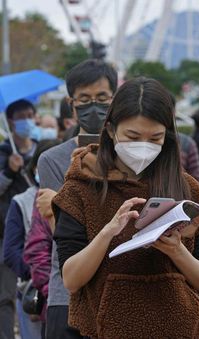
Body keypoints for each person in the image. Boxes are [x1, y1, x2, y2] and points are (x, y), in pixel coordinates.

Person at [53, 77, 199, 338]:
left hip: (179, 329)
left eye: (156, 138)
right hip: (105, 331)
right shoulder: (79, 190)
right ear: (110, 130)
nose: (144, 146)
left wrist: (176, 251)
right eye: (132, 136)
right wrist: (107, 233)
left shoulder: (188, 190)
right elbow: (71, 280)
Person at [36, 59, 118, 339]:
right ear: (72, 105)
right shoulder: (52, 160)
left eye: (101, 98)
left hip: (119, 293)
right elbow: (62, 236)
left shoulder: (131, 156)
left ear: (114, 100)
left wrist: (61, 204)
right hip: (67, 296)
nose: (93, 106)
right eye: (84, 99)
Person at [3, 139, 61, 339]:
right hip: (35, 295)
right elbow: (10, 252)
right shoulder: (23, 201)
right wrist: (39, 274)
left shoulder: (73, 197)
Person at [0, 99, 38, 339]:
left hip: (36, 229)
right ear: (11, 120)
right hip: (7, 232)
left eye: (30, 114)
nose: (27, 119)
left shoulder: (41, 149)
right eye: (21, 115)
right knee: (5, 295)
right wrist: (8, 172)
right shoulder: (4, 153)